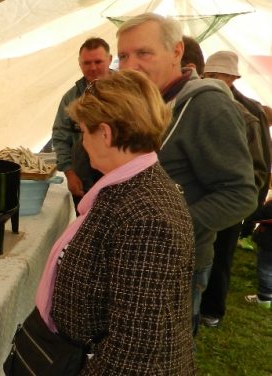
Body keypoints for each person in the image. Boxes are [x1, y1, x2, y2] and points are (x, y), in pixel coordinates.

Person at [7, 70, 195, 375]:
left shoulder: (148, 217)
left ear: (105, 134)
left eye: (83, 131)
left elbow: (133, 352)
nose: (83, 141)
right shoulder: (126, 187)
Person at [116, 13, 258, 336]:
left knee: (167, 358)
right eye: (123, 55)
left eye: (143, 53)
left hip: (177, 266)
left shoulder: (206, 106)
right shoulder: (149, 102)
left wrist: (168, 229)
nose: (130, 65)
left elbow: (240, 194)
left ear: (177, 52)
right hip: (139, 261)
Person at [203, 50, 272, 251]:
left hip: (229, 201)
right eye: (208, 75)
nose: (210, 80)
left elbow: (259, 164)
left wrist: (246, 205)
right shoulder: (199, 99)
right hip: (205, 198)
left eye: (217, 76)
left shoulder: (249, 111)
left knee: (220, 263)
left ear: (233, 78)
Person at [51, 37, 112, 209]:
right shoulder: (70, 98)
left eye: (98, 61)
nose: (92, 67)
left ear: (109, 59)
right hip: (84, 183)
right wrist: (69, 173)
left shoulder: (128, 90)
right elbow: (60, 137)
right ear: (80, 64)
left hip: (120, 180)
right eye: (87, 63)